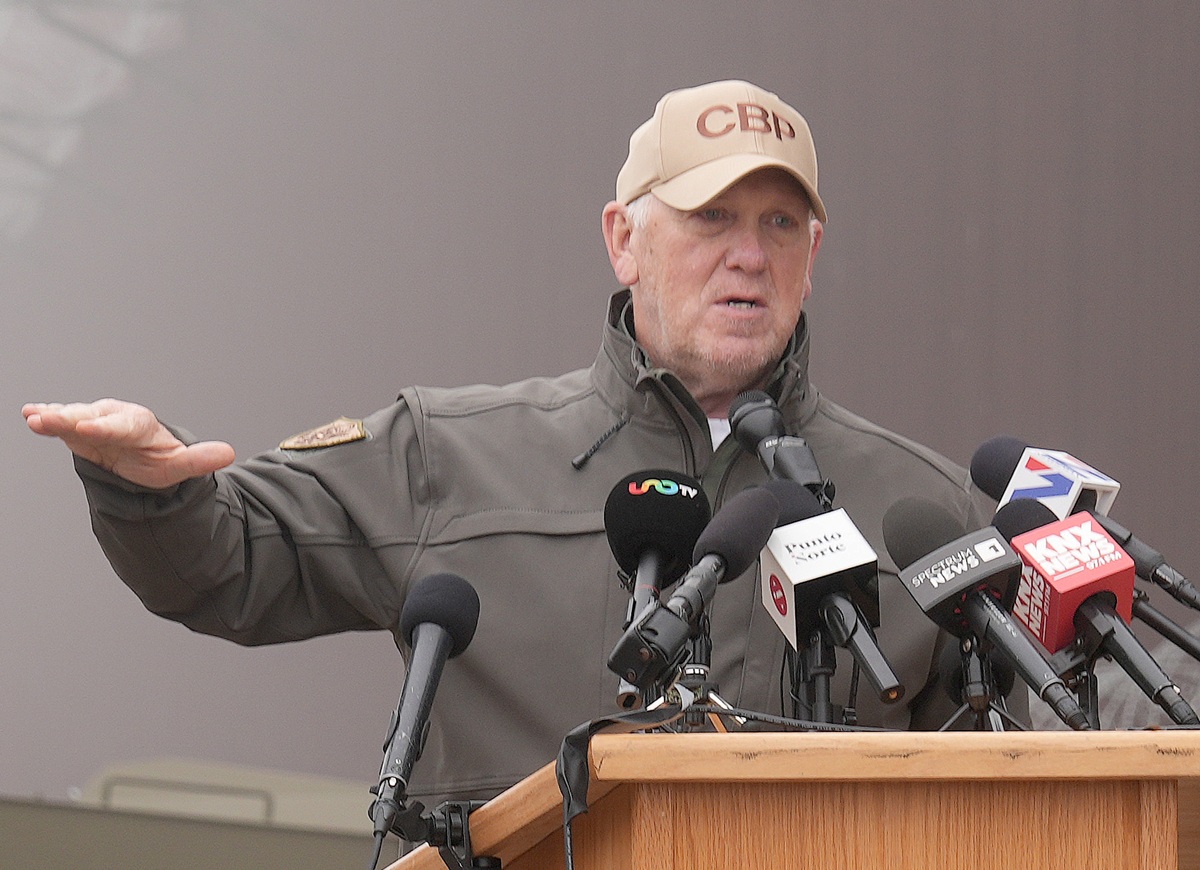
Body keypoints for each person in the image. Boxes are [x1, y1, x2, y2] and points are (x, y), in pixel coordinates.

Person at [23, 80, 997, 811]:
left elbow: (1032, 750)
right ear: (624, 240)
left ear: (811, 257)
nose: (749, 254)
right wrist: (151, 493)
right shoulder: (447, 455)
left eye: (780, 223)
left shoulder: (921, 506)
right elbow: (230, 561)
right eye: (710, 218)